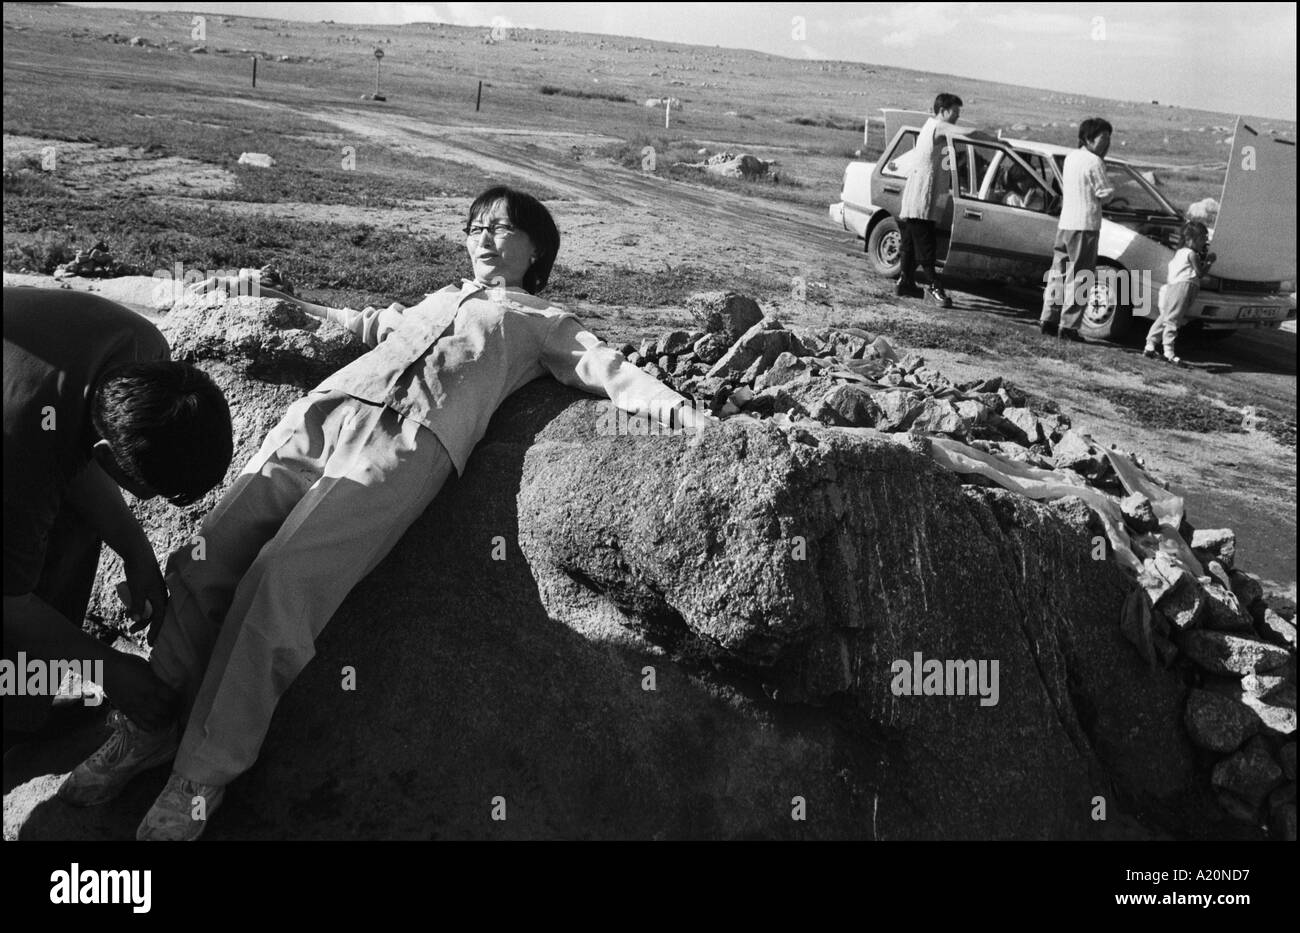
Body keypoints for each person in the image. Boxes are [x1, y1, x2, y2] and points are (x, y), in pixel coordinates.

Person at [59, 186, 716, 840]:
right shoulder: (439, 297)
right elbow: (363, 323)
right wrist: (268, 307)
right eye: (476, 224)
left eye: (503, 227)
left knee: (281, 582)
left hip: (407, 441)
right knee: (205, 559)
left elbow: (610, 370)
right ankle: (146, 730)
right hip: (322, 414)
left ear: (536, 249)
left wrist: (692, 421)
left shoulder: (544, 320)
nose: (485, 235)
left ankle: (201, 773)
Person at [3, 288, 232, 740]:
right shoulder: (21, 460)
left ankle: (20, 707)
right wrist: (108, 670)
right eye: (156, 492)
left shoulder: (147, 355)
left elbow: (70, 452)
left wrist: (136, 550)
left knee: (75, 526)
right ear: (107, 459)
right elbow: (7, 601)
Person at [1040, 117, 1115, 340]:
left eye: (1109, 138)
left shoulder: (1071, 158)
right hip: (1085, 225)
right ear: (1089, 138)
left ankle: (1048, 319)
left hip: (1065, 224)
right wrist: (1113, 191)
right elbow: (1105, 194)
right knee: (1081, 276)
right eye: (1104, 138)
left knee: (1058, 274)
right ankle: (1070, 326)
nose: (1107, 143)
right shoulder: (1094, 162)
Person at [896, 92, 962, 309]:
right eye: (955, 111)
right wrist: (992, 138)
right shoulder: (938, 126)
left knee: (909, 244)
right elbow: (964, 133)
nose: (957, 116)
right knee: (926, 248)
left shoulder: (929, 127)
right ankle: (935, 287)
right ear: (943, 111)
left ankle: (906, 283)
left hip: (919, 198)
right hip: (922, 200)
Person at [1144, 221, 1214, 366]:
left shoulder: (1180, 252)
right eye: (1202, 239)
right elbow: (1200, 273)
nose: (1204, 242)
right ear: (1190, 239)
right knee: (1173, 320)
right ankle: (1168, 351)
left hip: (1174, 287)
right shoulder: (1191, 254)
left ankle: (1150, 345)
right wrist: (1209, 262)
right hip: (1183, 288)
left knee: (1166, 317)